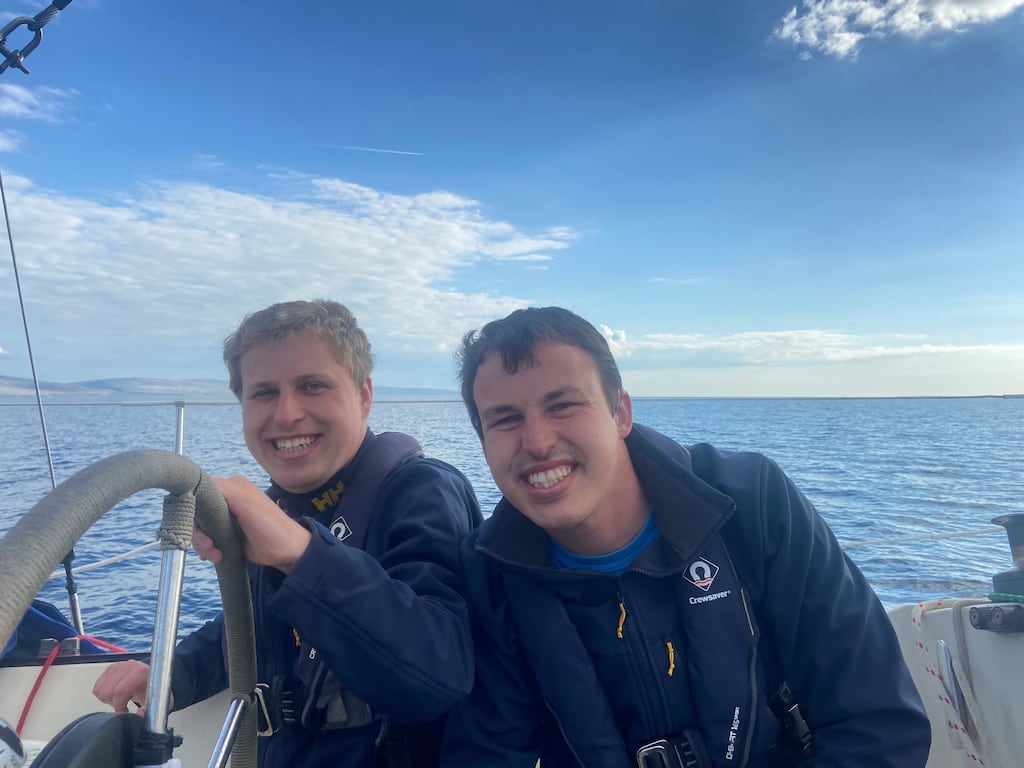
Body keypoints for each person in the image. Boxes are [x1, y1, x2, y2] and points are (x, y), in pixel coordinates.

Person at [440, 306, 931, 768]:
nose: (538, 442)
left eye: (563, 405)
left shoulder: (751, 504)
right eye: (505, 419)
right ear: (483, 442)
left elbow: (879, 724)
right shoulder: (489, 572)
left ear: (620, 414)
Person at [94, 299, 482, 768]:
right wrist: (173, 672)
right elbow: (248, 626)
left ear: (363, 395)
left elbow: (438, 673)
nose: (287, 413)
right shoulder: (280, 507)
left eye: (312, 386)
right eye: (263, 393)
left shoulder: (422, 493)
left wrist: (300, 555)